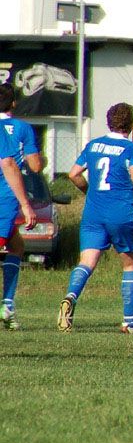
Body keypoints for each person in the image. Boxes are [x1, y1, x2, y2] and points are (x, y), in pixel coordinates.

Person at [57, 103, 133, 334]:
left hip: (93, 214)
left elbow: (73, 174)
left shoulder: (93, 146)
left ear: (108, 122)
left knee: (86, 262)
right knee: (130, 263)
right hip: (120, 214)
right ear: (131, 125)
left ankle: (70, 297)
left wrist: (88, 191)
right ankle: (129, 322)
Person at [0, 84, 42, 330]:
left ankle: (7, 304)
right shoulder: (22, 128)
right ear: (13, 103)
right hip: (6, 194)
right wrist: (26, 204)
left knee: (16, 244)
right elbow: (24, 166)